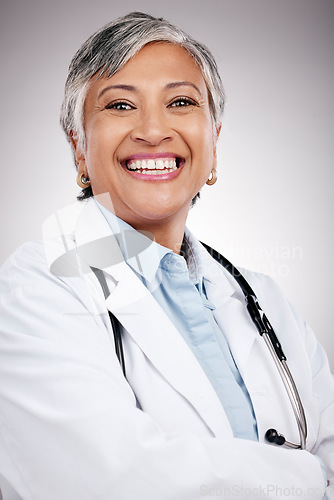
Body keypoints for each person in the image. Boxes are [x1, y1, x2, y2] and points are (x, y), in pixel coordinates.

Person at [0, 11, 333, 500]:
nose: (153, 131)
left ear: (214, 144)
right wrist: (308, 480)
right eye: (119, 106)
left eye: (180, 101)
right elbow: (104, 481)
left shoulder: (265, 299)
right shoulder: (40, 285)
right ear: (78, 148)